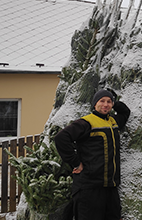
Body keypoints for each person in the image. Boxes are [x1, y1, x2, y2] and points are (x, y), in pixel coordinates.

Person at [55, 89, 130, 220]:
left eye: (109, 102)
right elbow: (61, 138)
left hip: (110, 187)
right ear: (95, 104)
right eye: (102, 101)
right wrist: (76, 162)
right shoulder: (86, 122)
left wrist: (115, 100)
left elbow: (125, 112)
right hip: (89, 187)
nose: (106, 105)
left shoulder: (113, 121)